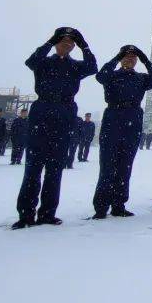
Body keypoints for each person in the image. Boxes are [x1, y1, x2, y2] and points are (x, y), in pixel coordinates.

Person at [13, 27, 98, 229]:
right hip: (42, 112)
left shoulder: (75, 66)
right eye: (63, 41)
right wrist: (50, 42)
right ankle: (26, 215)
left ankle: (48, 213)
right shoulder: (44, 63)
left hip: (65, 114)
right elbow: (31, 61)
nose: (67, 45)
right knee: (33, 169)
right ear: (56, 43)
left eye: (71, 43)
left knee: (55, 170)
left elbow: (92, 67)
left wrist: (84, 45)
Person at [91, 45, 152, 219]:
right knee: (107, 166)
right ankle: (101, 207)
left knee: (125, 166)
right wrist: (116, 57)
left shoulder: (140, 78)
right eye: (127, 56)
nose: (130, 59)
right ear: (121, 58)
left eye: (133, 57)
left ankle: (119, 204)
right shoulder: (112, 76)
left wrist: (145, 59)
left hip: (133, 120)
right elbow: (100, 76)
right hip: (113, 118)